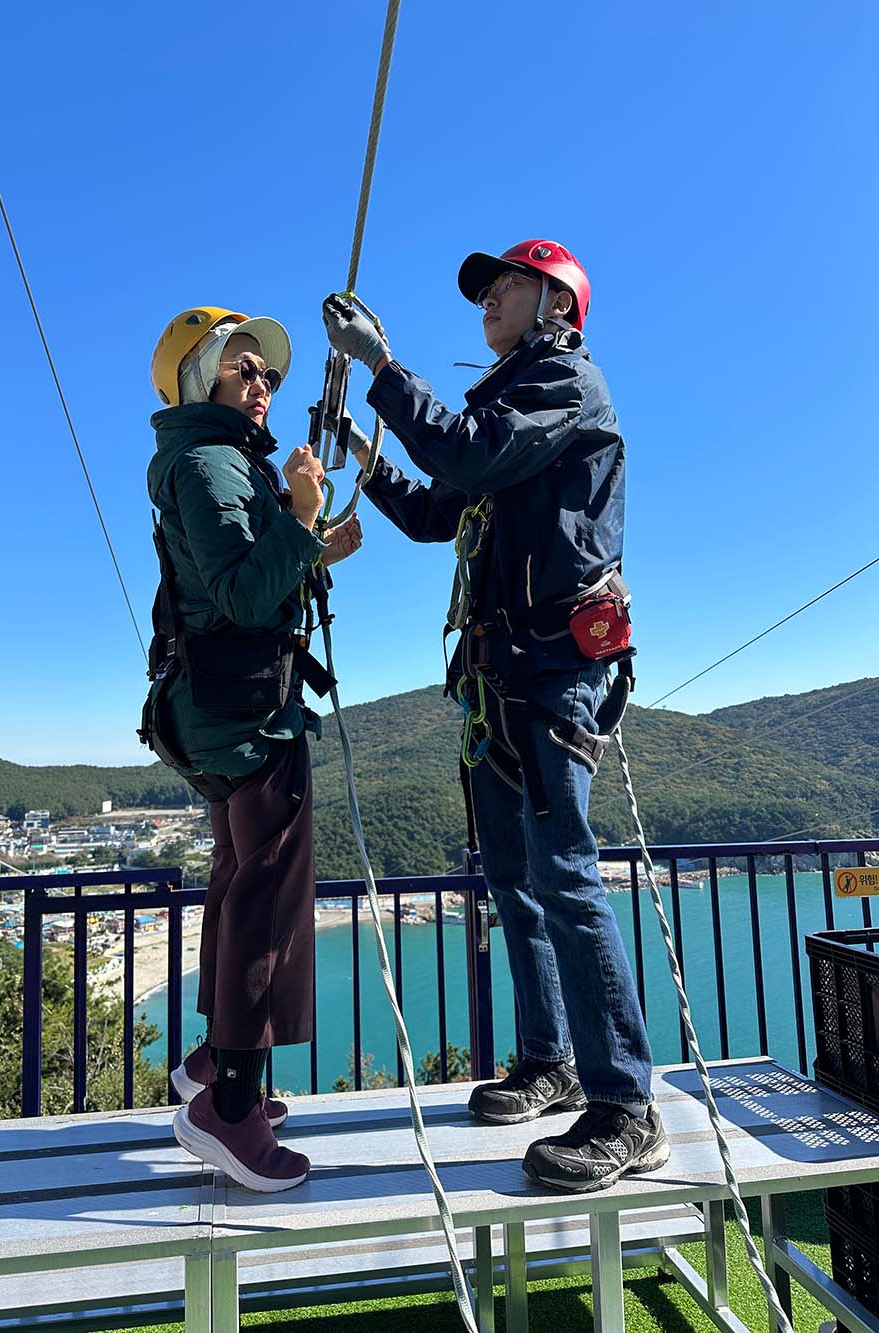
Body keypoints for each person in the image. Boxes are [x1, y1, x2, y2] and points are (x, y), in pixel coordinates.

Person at [321, 241, 669, 1192]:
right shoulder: (511, 402)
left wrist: (383, 371)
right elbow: (444, 510)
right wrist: (365, 451)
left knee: (560, 871)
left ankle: (626, 1106)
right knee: (515, 877)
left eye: (503, 285)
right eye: (484, 289)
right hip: (506, 673)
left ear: (555, 301)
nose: (486, 301)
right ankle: (551, 1059)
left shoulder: (566, 383)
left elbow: (469, 453)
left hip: (555, 668)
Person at [142, 305, 361, 1193]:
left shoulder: (209, 462)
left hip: (218, 707)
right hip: (247, 713)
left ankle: (211, 1062)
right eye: (244, 370)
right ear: (203, 381)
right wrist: (301, 520)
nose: (262, 385)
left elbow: (246, 573)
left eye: (266, 374)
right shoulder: (211, 463)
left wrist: (311, 542)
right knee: (266, 899)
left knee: (236, 879)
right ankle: (229, 1103)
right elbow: (238, 592)